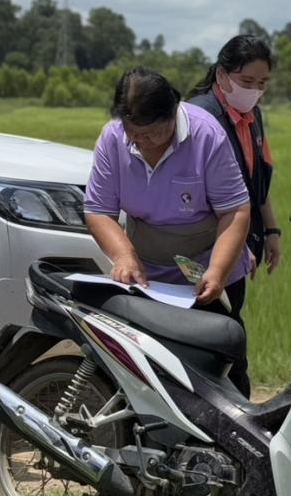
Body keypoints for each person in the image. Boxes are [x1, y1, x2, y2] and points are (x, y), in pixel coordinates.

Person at [83, 68, 253, 392]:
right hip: (146, 274)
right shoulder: (113, 137)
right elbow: (99, 211)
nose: (142, 142)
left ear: (173, 112)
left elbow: (235, 211)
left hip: (208, 267)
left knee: (220, 361)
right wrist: (124, 258)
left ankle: (232, 438)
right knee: (148, 363)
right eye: (134, 133)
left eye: (153, 133)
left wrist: (217, 272)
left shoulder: (206, 135)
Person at [188, 35, 281, 277]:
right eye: (247, 81)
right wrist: (235, 246)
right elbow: (192, 196)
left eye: (262, 83)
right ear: (221, 75)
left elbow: (256, 180)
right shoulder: (199, 119)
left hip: (241, 243)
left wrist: (272, 231)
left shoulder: (252, 116)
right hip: (206, 249)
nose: (255, 91)